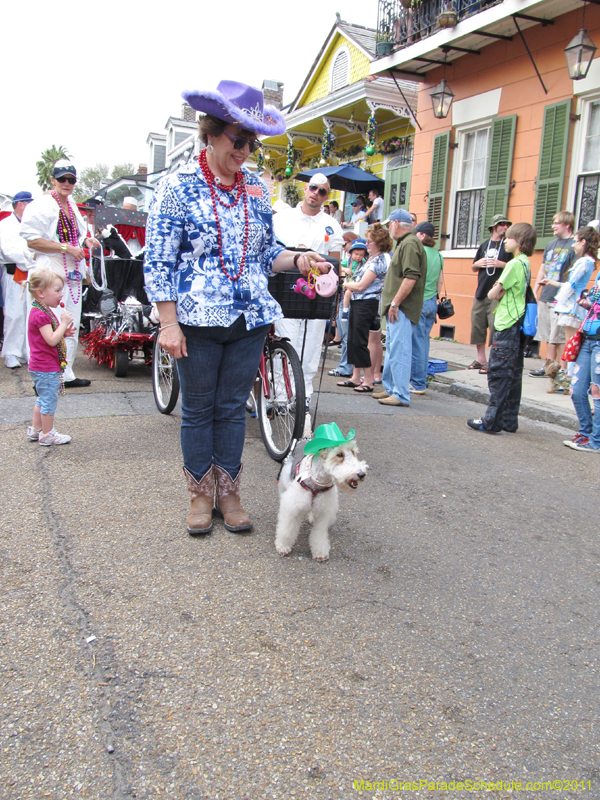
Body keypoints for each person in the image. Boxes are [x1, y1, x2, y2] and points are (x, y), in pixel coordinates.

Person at [144, 80, 327, 536]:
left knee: (230, 410)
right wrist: (169, 322)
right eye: (237, 140)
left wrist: (299, 258)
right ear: (210, 133)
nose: (245, 151)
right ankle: (200, 494)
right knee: (199, 409)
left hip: (248, 319)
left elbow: (267, 255)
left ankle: (230, 492)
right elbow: (159, 260)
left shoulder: (256, 190)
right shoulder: (177, 187)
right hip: (197, 321)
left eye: (252, 143)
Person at [20, 162, 101, 387]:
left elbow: (77, 235)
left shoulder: (73, 205)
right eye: (62, 179)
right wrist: (64, 248)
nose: (67, 184)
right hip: (50, 272)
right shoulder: (43, 205)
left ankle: (66, 373)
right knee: (47, 323)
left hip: (72, 274)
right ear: (53, 180)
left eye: (71, 180)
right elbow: (31, 240)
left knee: (71, 322)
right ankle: (43, 374)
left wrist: (86, 240)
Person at [274, 172, 344, 412]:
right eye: (313, 188)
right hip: (287, 290)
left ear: (326, 196)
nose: (316, 193)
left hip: (318, 294)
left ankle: (303, 395)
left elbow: (335, 264)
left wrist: (335, 298)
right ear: (306, 189)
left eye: (322, 191)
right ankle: (282, 397)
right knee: (287, 342)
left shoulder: (332, 225)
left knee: (312, 347)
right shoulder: (284, 218)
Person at [467, 222, 537, 434]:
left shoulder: (514, 264)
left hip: (506, 323)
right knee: (514, 375)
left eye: (509, 237)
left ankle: (491, 421)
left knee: (499, 374)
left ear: (520, 242)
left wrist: (498, 290)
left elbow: (492, 293)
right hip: (517, 322)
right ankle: (508, 420)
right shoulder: (526, 263)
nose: (505, 240)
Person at [374, 208, 426, 407]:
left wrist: (395, 303)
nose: (388, 229)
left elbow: (411, 276)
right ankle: (392, 389)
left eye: (389, 225)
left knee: (400, 350)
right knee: (394, 348)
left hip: (402, 308)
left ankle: (401, 394)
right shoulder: (408, 243)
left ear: (396, 223)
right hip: (399, 307)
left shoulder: (410, 243)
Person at [541, 226, 598, 392]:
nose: (573, 245)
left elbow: (571, 285)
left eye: (576, 242)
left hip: (572, 306)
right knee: (572, 343)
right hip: (575, 305)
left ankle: (573, 379)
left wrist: (558, 302)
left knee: (572, 344)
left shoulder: (583, 262)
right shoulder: (588, 262)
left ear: (584, 242)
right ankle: (572, 378)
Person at [339, 224, 392, 392]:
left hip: (367, 303)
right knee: (354, 340)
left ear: (379, 243)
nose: (366, 244)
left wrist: (346, 284)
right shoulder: (369, 259)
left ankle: (368, 380)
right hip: (358, 301)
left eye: (370, 242)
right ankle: (355, 377)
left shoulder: (378, 261)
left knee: (361, 341)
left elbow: (362, 285)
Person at [26, 268, 74, 446]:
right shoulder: (40, 314)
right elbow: (52, 340)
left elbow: (49, 337)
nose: (61, 294)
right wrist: (63, 323)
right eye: (57, 290)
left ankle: (35, 429)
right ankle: (47, 434)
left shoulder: (40, 310)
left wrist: (64, 332)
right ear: (40, 293)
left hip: (41, 365)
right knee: (48, 399)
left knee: (42, 397)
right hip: (45, 367)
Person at [529, 211, 575, 377]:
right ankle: (549, 366)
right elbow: (543, 268)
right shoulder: (550, 244)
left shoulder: (573, 246)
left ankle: (563, 369)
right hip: (546, 295)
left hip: (561, 298)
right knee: (547, 334)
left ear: (567, 225)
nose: (553, 226)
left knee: (560, 336)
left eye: (556, 223)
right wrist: (535, 290)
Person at [469, 214, 512, 372]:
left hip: (497, 293)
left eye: (507, 225)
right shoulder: (485, 245)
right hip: (481, 291)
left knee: (495, 325)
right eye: (502, 224)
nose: (505, 227)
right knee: (477, 324)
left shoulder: (507, 246)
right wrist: (477, 264)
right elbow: (473, 267)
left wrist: (501, 264)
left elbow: (514, 266)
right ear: (494, 227)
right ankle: (481, 358)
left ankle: (493, 359)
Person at [564, 270, 600, 451]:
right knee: (576, 389)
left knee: (597, 390)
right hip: (587, 338)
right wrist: (587, 303)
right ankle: (586, 433)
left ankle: (596, 441)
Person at [0, 191, 35, 368]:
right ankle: (11, 352)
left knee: (31, 314)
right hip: (15, 273)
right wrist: (29, 260)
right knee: (14, 314)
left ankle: (27, 352)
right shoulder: (6, 225)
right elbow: (9, 251)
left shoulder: (32, 225)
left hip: (32, 273)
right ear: (21, 204)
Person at [410, 221, 444, 394]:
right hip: (432, 302)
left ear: (422, 235)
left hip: (419, 301)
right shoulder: (438, 255)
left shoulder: (419, 252)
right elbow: (440, 282)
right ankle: (420, 380)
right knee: (423, 342)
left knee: (416, 343)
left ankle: (417, 382)